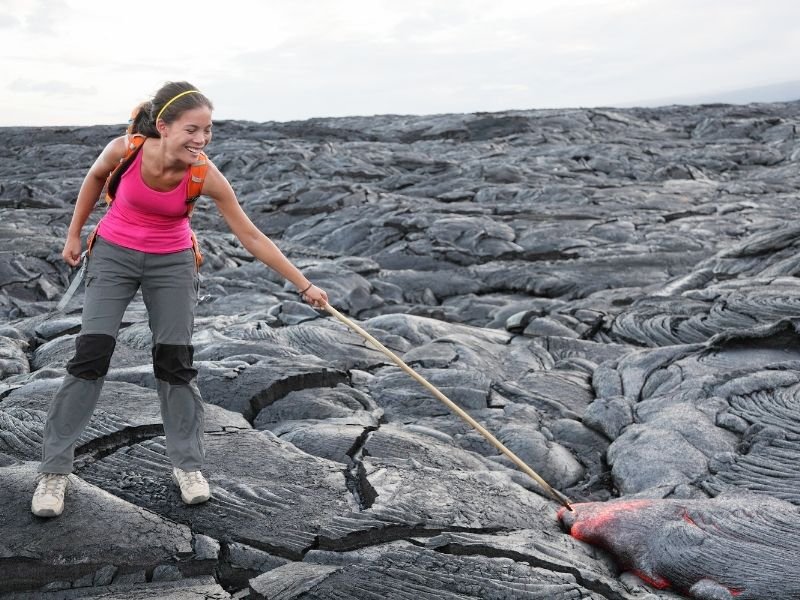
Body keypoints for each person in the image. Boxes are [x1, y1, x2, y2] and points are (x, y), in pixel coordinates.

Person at [31, 81, 328, 517]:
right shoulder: (126, 149)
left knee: (175, 362)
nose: (202, 140)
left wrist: (304, 285)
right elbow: (95, 178)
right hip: (113, 256)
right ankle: (54, 472)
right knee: (90, 355)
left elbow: (250, 234)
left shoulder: (204, 174)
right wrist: (74, 233)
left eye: (208, 131)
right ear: (164, 127)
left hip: (172, 263)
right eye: (193, 129)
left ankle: (187, 468)